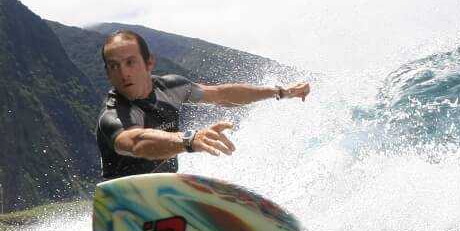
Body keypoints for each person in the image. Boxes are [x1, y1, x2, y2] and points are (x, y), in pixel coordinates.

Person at [96, 29, 311, 180]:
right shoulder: (114, 116)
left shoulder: (171, 88)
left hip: (167, 195)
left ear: (149, 62)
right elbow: (137, 143)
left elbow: (223, 95)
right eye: (114, 66)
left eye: (130, 62)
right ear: (107, 72)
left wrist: (280, 92)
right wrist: (189, 140)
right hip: (122, 209)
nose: (123, 73)